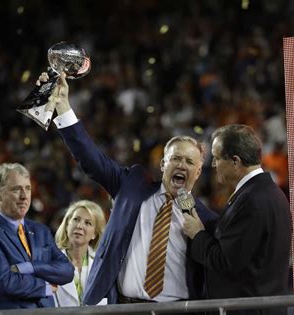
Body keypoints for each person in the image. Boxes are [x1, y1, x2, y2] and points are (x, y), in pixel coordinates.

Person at [38, 72, 217, 305]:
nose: (182, 165)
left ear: (198, 173)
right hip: (123, 307)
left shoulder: (206, 221)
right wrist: (62, 107)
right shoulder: (132, 185)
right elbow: (91, 159)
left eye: (190, 162)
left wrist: (201, 235)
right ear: (163, 164)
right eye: (176, 159)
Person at [183, 124, 292, 315]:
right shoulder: (266, 192)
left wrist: (197, 234)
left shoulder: (251, 200)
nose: (213, 164)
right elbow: (237, 241)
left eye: (217, 158)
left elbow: (226, 262)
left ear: (235, 161)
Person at [0, 163, 74, 310]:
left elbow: (67, 271)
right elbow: (5, 282)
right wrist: (46, 287)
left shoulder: (41, 230)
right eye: (16, 189)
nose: (24, 196)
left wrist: (31, 267)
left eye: (28, 189)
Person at [54, 200, 107, 306]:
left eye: (88, 223)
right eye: (76, 219)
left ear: (94, 234)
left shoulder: (103, 267)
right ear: (67, 225)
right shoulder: (50, 263)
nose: (79, 226)